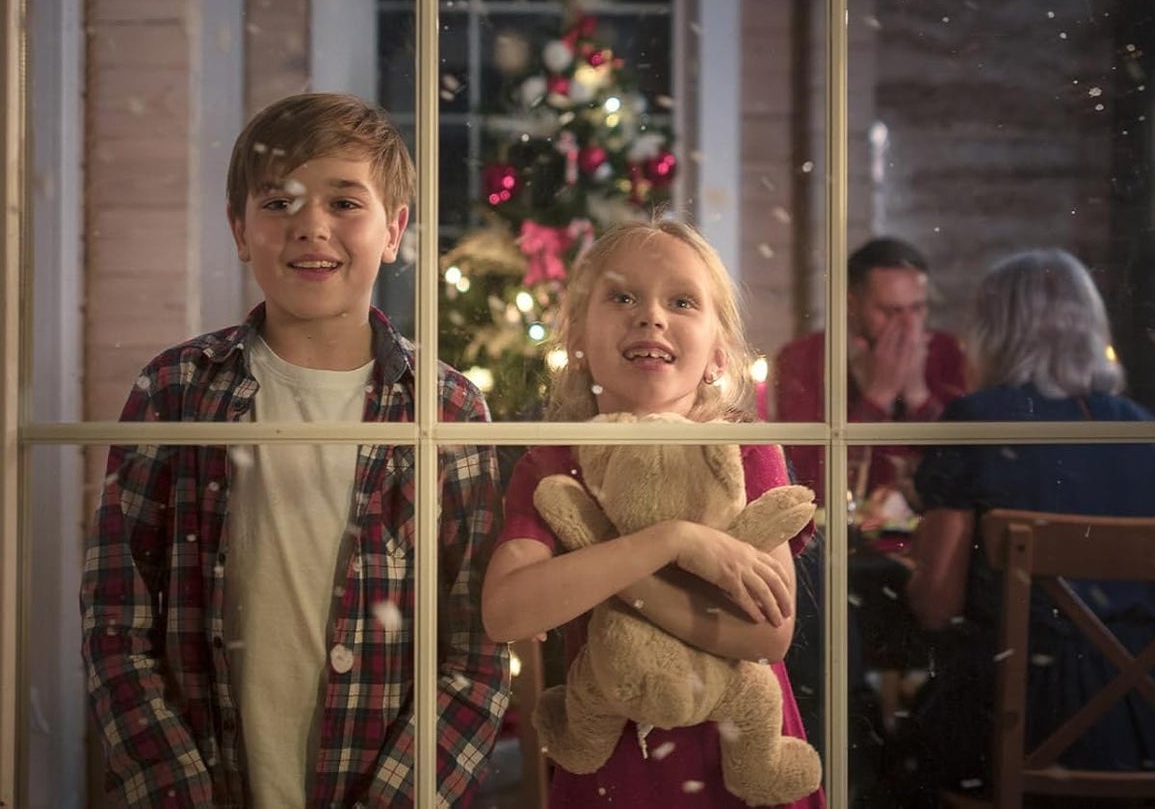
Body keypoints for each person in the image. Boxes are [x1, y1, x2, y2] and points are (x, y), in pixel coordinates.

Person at [80, 92, 510, 807]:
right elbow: (116, 625)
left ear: (394, 228)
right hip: (209, 781)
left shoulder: (447, 410)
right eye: (278, 202)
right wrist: (179, 787)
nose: (311, 227)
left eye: (345, 202)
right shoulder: (175, 389)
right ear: (240, 229)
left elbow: (476, 655)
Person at [482, 219, 824, 807]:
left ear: (718, 352)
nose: (651, 317)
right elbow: (506, 612)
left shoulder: (743, 450)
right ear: (578, 339)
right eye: (621, 297)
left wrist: (608, 564)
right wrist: (671, 542)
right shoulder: (552, 462)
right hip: (614, 776)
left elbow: (768, 633)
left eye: (682, 301)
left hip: (735, 767)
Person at [900, 248, 1155, 802]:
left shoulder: (976, 422)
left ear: (995, 332)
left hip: (1025, 722)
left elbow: (934, 606)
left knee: (884, 757)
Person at [773, 236, 970, 508]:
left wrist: (917, 396)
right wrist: (878, 397)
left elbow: (964, 470)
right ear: (852, 305)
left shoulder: (945, 351)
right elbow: (806, 478)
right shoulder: (804, 357)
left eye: (917, 308)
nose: (908, 326)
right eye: (890, 312)